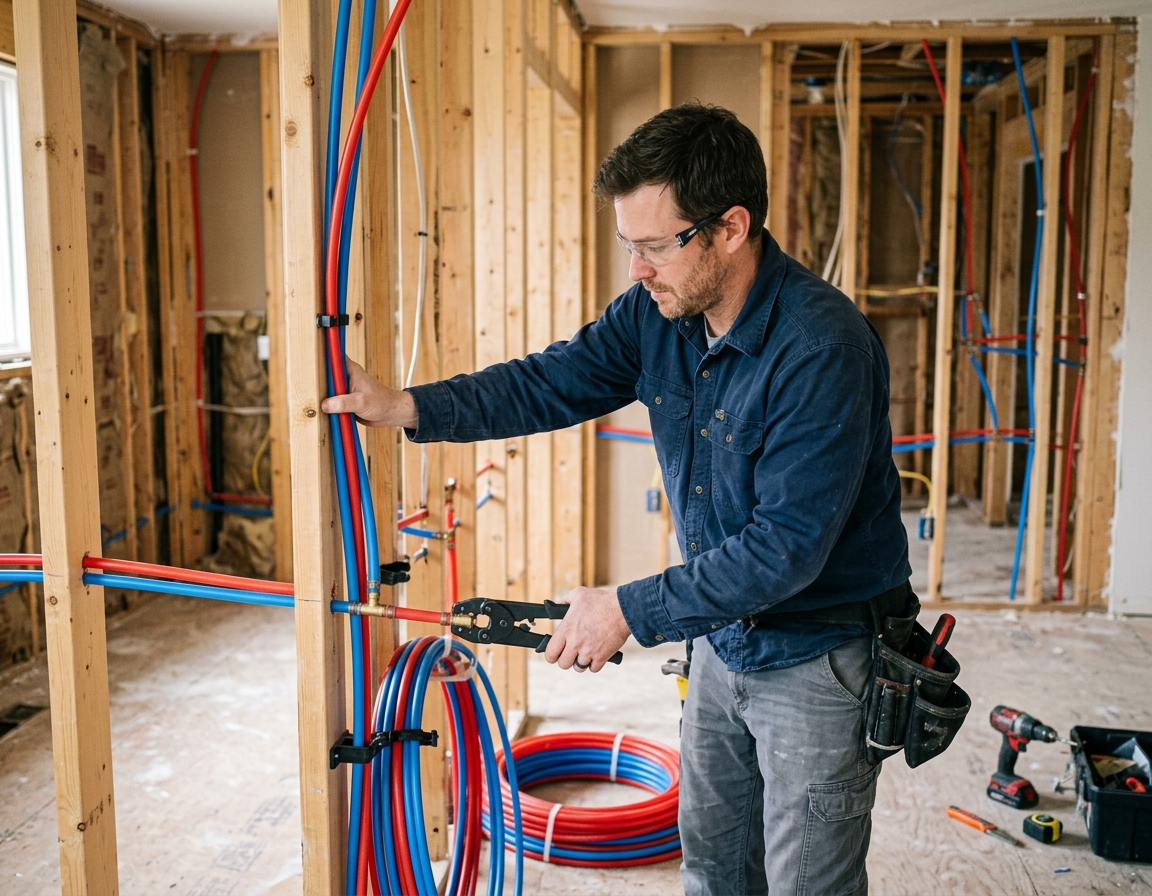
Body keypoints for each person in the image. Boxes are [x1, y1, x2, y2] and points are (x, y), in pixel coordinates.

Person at [322, 102, 910, 896]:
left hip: (817, 657)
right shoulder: (659, 312)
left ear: (730, 227)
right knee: (711, 865)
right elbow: (549, 381)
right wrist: (405, 408)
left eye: (654, 246)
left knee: (807, 883)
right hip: (719, 643)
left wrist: (627, 609)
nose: (636, 268)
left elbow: (785, 548)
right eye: (627, 245)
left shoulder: (821, 347)